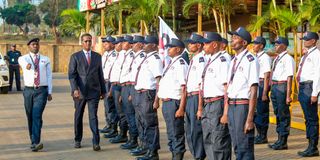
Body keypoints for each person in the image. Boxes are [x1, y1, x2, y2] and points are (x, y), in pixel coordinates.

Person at [68, 33, 106, 151]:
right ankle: (77, 139)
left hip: (94, 91)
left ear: (92, 42)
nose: (88, 43)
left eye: (89, 41)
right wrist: (74, 89)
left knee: (93, 117)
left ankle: (96, 142)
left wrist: (103, 91)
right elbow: (72, 75)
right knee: (78, 116)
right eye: (85, 41)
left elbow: (100, 75)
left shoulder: (97, 56)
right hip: (80, 92)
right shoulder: (75, 56)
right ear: (81, 42)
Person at [197, 32, 232, 160]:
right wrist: (201, 107)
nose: (203, 46)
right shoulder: (211, 60)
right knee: (208, 138)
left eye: (206, 43)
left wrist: (226, 113)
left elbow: (226, 88)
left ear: (215, 44)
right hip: (208, 104)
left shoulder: (222, 61)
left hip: (218, 104)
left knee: (219, 140)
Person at [227, 27, 259, 159]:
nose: (232, 40)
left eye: (235, 38)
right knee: (236, 143)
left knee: (244, 145)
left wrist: (250, 119)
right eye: (232, 37)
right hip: (232, 105)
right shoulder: (233, 60)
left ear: (244, 43)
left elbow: (254, 89)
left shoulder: (250, 59)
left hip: (242, 106)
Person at [18, 38, 53, 152]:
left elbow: (49, 76)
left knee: (36, 115)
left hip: (41, 91)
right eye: (33, 44)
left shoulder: (45, 59)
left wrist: (49, 92)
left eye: (37, 44)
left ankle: (36, 142)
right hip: (28, 91)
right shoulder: (23, 58)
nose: (35, 46)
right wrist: (27, 65)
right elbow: (22, 63)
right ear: (29, 46)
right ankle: (32, 139)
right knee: (30, 116)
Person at [158, 38, 188, 160]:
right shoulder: (171, 63)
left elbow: (184, 88)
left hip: (174, 102)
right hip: (167, 102)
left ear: (178, 49)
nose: (168, 49)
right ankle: (174, 154)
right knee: (171, 132)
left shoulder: (181, 64)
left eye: (171, 47)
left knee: (176, 132)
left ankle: (177, 155)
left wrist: (181, 108)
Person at [134, 35, 163, 160]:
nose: (143, 45)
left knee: (150, 123)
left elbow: (158, 80)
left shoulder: (155, 59)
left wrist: (157, 99)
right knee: (141, 121)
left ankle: (153, 152)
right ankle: (145, 147)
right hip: (140, 93)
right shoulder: (147, 57)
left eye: (146, 43)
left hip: (148, 94)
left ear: (154, 45)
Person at [268, 36, 294, 150]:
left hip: (282, 87)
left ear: (284, 45)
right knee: (278, 113)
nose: (275, 46)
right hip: (275, 87)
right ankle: (279, 139)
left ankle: (283, 141)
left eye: (278, 44)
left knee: (283, 115)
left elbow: (289, 77)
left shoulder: (288, 58)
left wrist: (288, 95)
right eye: (275, 44)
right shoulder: (277, 58)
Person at [297, 31, 320, 157]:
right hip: (303, 88)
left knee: (311, 119)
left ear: (313, 41)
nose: (304, 41)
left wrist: (314, 93)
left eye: (307, 39)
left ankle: (313, 147)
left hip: (309, 88)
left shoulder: (316, 55)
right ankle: (310, 145)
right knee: (308, 119)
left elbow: (318, 75)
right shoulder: (306, 54)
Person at [184, 33, 206, 160]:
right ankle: (195, 154)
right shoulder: (194, 59)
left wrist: (199, 107)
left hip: (196, 97)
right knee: (190, 129)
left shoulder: (201, 60)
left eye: (191, 43)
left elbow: (200, 85)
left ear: (198, 45)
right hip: (189, 97)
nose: (189, 45)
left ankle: (199, 156)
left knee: (196, 130)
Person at [127, 35, 147, 155]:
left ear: (140, 44)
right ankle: (141, 144)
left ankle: (145, 146)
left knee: (144, 121)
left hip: (143, 92)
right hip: (135, 89)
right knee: (138, 119)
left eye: (134, 43)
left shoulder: (143, 57)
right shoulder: (136, 56)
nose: (131, 45)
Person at [108, 36, 131, 144]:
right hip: (116, 85)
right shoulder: (121, 54)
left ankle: (124, 135)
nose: (120, 44)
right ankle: (121, 133)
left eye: (122, 42)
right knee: (118, 110)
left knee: (123, 112)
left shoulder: (130, 55)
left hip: (123, 86)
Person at [119, 35, 139, 149]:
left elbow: (132, 74)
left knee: (131, 115)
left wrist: (131, 92)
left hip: (130, 86)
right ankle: (132, 138)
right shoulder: (125, 54)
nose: (122, 44)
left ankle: (134, 139)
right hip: (124, 86)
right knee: (127, 113)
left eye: (125, 42)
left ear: (130, 44)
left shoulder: (132, 55)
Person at [252, 36, 271, 144]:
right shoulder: (256, 57)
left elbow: (267, 75)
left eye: (256, 44)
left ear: (261, 45)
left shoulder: (265, 58)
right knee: (257, 112)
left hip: (262, 84)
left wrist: (264, 92)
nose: (253, 45)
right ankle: (259, 134)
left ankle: (263, 136)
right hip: (257, 83)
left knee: (262, 112)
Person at [100, 36, 117, 135]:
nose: (104, 45)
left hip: (110, 82)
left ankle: (113, 127)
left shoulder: (115, 55)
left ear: (112, 44)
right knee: (106, 105)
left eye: (106, 43)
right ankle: (108, 124)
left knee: (111, 105)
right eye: (104, 43)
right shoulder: (105, 54)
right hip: (104, 81)